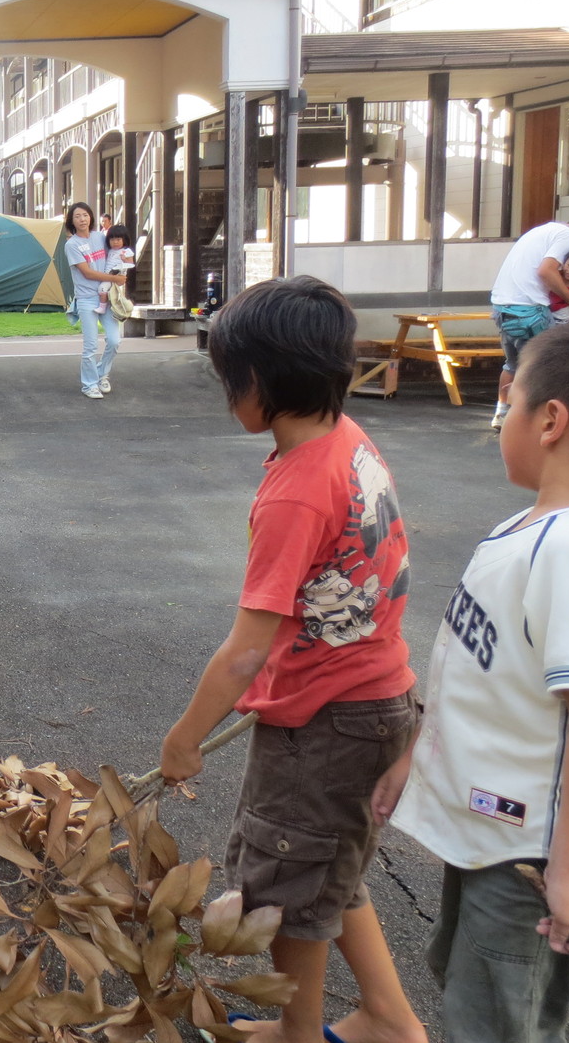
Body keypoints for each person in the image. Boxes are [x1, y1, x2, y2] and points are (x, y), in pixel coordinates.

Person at [161, 276, 425, 1043]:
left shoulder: (295, 494)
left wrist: (184, 738)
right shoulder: (347, 439)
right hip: (379, 700)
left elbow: (246, 651)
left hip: (326, 726)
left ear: (264, 384)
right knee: (327, 872)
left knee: (285, 888)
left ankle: (298, 1034)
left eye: (228, 381)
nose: (225, 396)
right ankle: (387, 1018)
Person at [377, 319, 569, 1043]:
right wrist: (417, 754)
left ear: (550, 420)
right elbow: (475, 672)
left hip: (528, 859)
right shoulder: (528, 528)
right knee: (468, 981)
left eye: (507, 400)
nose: (498, 416)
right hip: (490, 835)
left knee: (499, 1017)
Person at [488, 216, 569, 431]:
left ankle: (502, 412)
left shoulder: (541, 230)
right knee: (546, 365)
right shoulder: (567, 235)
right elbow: (546, 270)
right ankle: (529, 419)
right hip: (530, 310)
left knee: (513, 364)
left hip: (503, 307)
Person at [64, 202, 123, 399]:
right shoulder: (71, 245)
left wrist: (123, 268)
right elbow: (87, 273)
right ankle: (89, 385)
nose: (82, 219)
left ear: (91, 217)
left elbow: (113, 258)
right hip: (87, 299)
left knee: (114, 340)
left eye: (85, 215)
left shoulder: (100, 237)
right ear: (72, 221)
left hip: (106, 296)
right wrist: (114, 279)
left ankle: (101, 375)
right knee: (90, 346)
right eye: (78, 216)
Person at [101, 223, 135, 314]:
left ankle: (102, 306)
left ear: (124, 240)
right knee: (110, 291)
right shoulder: (110, 251)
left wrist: (124, 259)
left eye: (118, 239)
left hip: (117, 274)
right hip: (107, 274)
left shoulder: (126, 251)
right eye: (112, 239)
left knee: (102, 288)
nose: (115, 242)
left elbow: (131, 264)